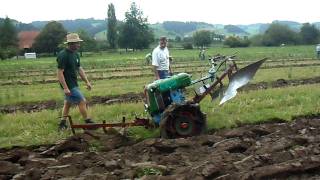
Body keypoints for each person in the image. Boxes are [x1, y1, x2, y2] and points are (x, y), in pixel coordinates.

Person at [57, 33, 94, 130]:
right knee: (82, 101)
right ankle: (88, 121)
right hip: (68, 85)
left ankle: (62, 123)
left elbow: (79, 69)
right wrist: (65, 88)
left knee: (67, 104)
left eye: (78, 43)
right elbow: (60, 73)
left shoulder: (76, 54)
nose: (79, 45)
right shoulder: (63, 55)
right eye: (77, 43)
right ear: (71, 44)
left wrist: (87, 82)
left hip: (74, 83)